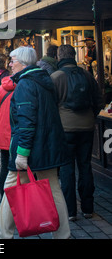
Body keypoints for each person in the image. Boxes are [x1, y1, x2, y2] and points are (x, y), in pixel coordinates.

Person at [0, 46, 71, 239]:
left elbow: (26, 123)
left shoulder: (25, 85)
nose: (10, 64)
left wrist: (21, 153)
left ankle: (1, 235)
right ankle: (63, 235)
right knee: (53, 189)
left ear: (22, 62)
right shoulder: (43, 81)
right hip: (46, 147)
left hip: (30, 150)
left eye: (12, 60)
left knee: (11, 188)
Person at [51, 44, 104, 221]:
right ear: (74, 56)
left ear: (59, 57)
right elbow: (99, 100)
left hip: (66, 129)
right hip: (87, 127)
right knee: (85, 166)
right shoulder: (87, 75)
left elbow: (51, 106)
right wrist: (90, 116)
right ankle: (88, 208)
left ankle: (71, 211)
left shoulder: (56, 77)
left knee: (66, 169)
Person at [0, 75, 16, 198]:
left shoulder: (1, 89)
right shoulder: (25, 87)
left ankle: (4, 197)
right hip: (19, 134)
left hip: (4, 132)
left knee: (5, 166)